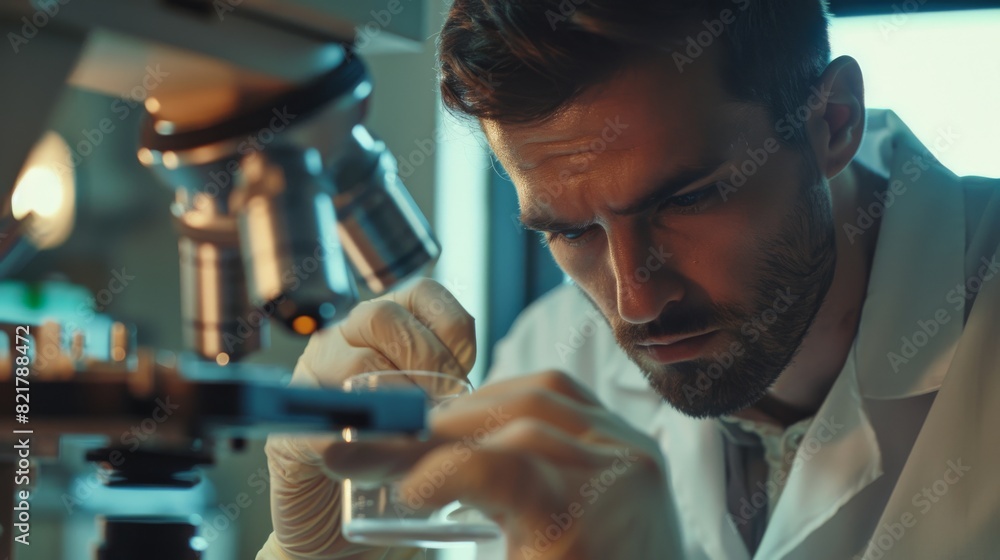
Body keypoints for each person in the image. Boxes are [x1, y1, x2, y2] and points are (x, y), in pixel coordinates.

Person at [257, 1, 1000, 558]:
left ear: (832, 120)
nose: (637, 302)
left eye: (686, 199)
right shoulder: (553, 353)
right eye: (570, 231)